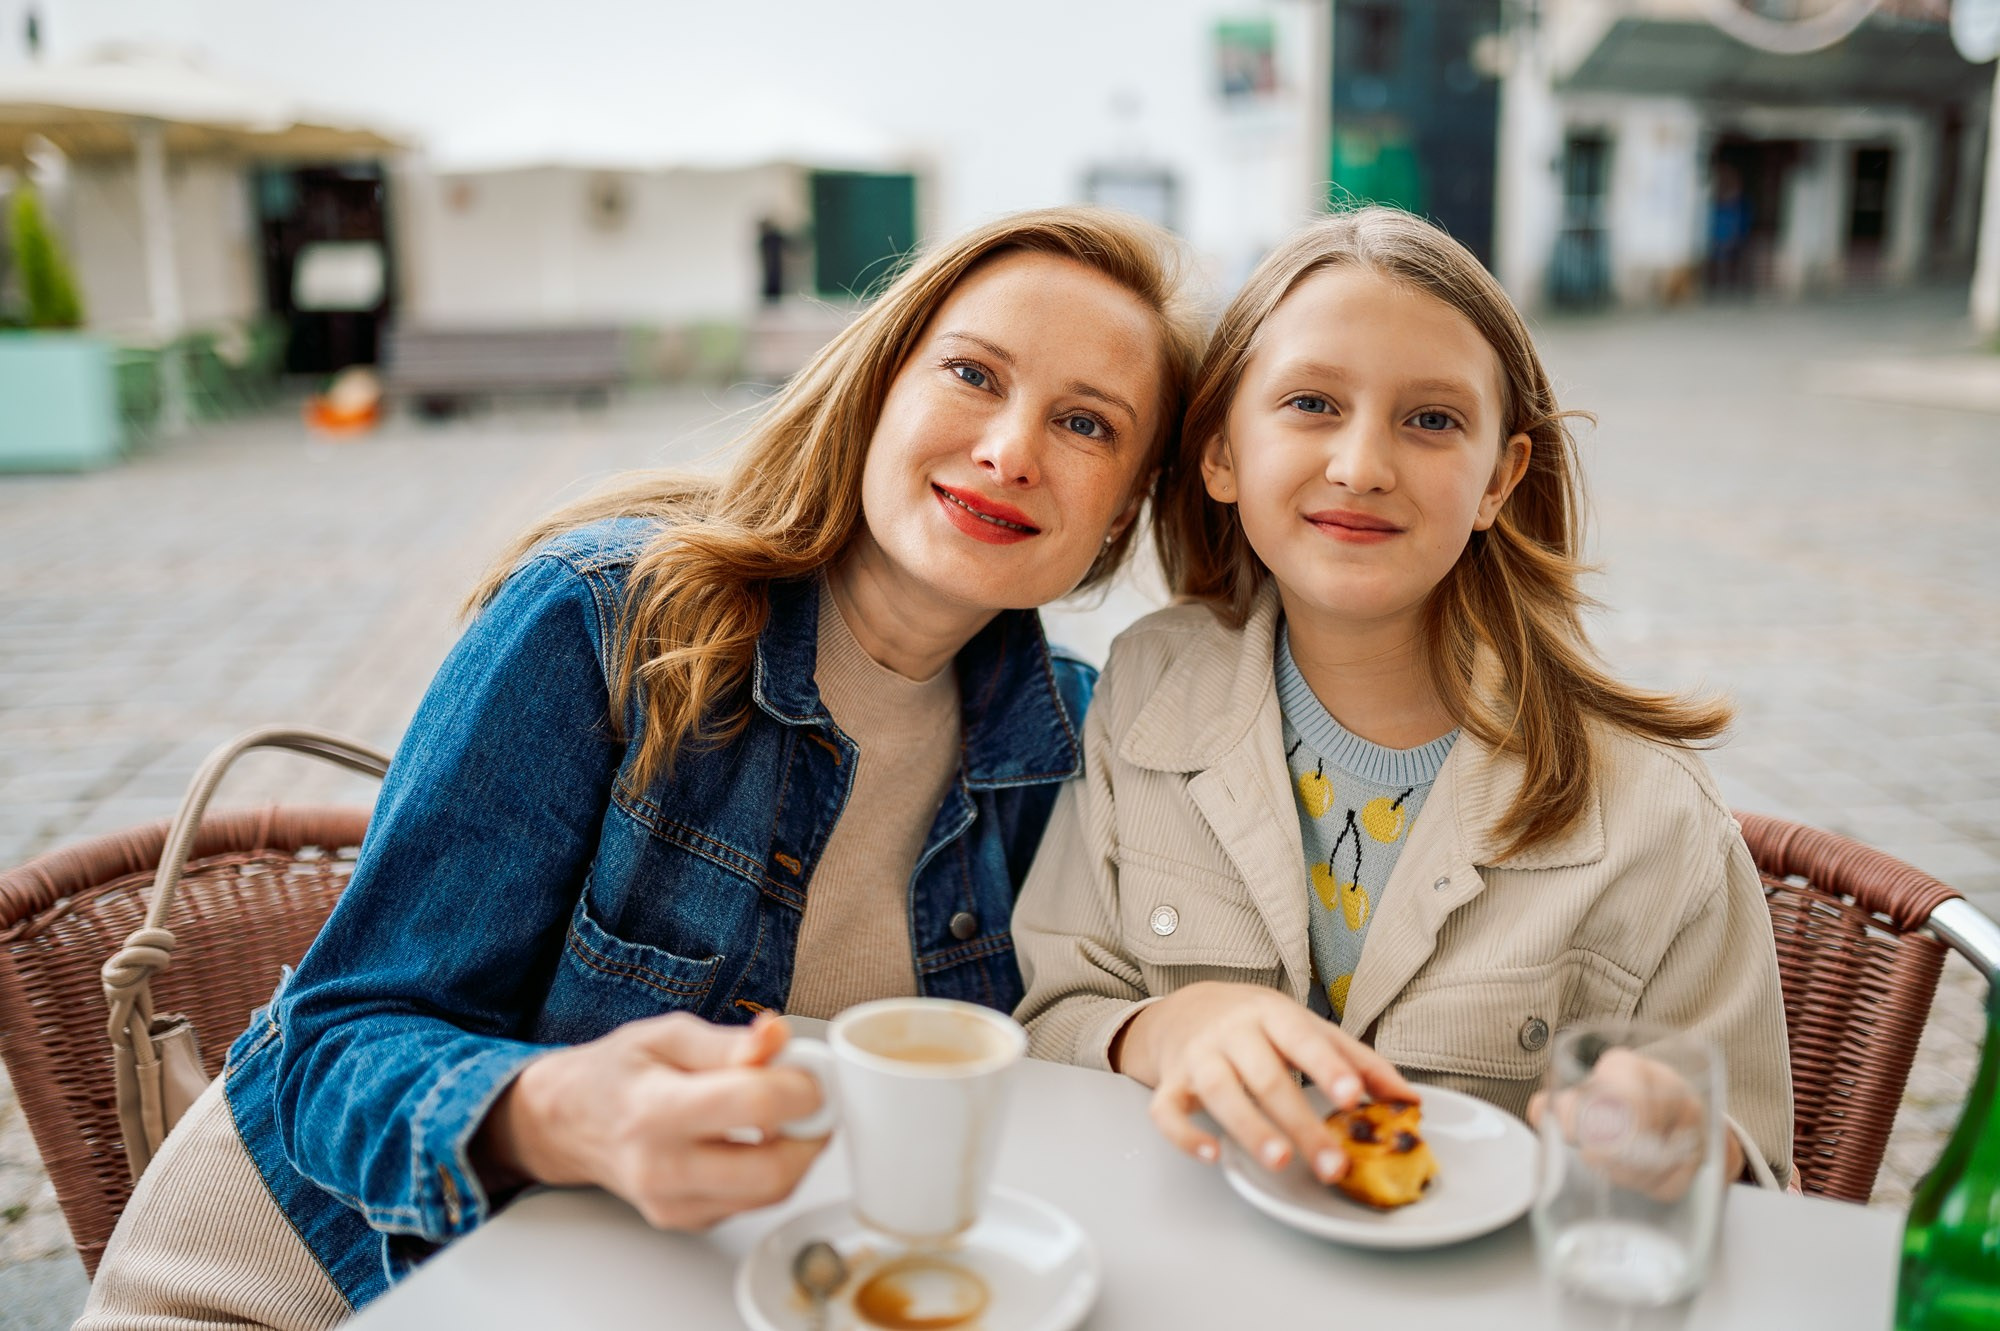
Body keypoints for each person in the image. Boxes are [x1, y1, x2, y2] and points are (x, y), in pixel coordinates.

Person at [80, 206, 1205, 1329]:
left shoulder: (1065, 737)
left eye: (1086, 424)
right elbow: (338, 1041)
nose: (1011, 450)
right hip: (306, 1269)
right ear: (878, 390)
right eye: (971, 374)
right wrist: (554, 1109)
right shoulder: (604, 619)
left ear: (1122, 514)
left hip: (649, 1287)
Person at [1012, 206, 1793, 1195]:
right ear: (1220, 452)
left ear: (1498, 479)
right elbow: (1052, 1016)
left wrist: (1679, 1138)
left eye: (1431, 420)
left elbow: (1753, 1169)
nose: (1362, 467)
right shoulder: (1144, 688)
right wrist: (1165, 1027)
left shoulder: (1653, 811)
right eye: (1310, 403)